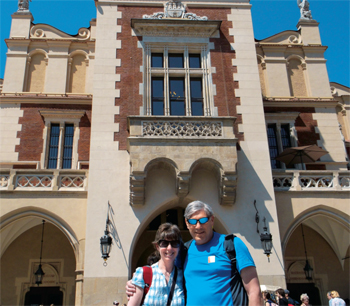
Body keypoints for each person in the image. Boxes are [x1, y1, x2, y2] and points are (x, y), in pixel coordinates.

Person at [127, 200, 262, 306]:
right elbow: (164, 268)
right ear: (187, 223)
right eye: (193, 221)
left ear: (212, 220)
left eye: (203, 220)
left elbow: (254, 291)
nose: (198, 226)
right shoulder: (184, 250)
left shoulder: (232, 245)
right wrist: (136, 280)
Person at [127, 223, 185, 306]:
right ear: (157, 246)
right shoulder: (144, 274)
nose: (169, 248)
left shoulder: (182, 276)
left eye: (174, 243)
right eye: (164, 243)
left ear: (179, 247)